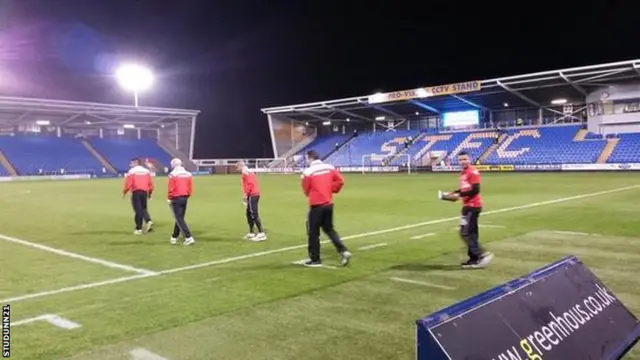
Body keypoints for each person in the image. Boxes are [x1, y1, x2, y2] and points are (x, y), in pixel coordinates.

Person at [439, 151, 493, 269]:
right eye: (460, 160)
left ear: (469, 159)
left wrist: (459, 195)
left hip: (472, 207)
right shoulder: (463, 173)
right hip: (468, 206)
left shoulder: (472, 171)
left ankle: (482, 254)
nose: (462, 161)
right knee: (472, 233)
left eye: (465, 159)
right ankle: (474, 259)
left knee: (465, 233)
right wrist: (454, 193)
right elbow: (465, 189)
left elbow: (475, 190)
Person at [301, 150, 351, 267]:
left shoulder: (307, 172)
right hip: (328, 204)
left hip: (316, 205)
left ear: (310, 158)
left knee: (313, 232)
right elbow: (340, 181)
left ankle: (315, 259)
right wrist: (330, 189)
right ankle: (343, 250)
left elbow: (306, 190)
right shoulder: (329, 167)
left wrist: (315, 194)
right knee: (329, 229)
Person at [236, 161, 267, 241]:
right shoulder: (249, 171)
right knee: (249, 213)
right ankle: (251, 232)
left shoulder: (245, 172)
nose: (237, 169)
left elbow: (249, 184)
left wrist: (245, 194)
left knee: (253, 213)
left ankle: (261, 233)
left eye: (237, 167)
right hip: (254, 194)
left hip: (252, 194)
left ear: (240, 166)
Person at [167, 158, 195, 246]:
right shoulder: (188, 174)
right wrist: (188, 195)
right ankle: (174, 237)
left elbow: (171, 187)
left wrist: (169, 197)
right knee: (179, 218)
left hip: (176, 197)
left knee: (178, 218)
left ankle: (188, 237)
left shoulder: (172, 174)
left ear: (173, 165)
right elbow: (190, 186)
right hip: (185, 196)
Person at [122, 158, 154, 234]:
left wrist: (124, 192)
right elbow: (151, 185)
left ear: (136, 163)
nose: (130, 165)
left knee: (138, 211)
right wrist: (149, 194)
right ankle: (148, 221)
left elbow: (129, 184)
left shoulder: (131, 172)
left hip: (136, 192)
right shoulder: (146, 171)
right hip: (144, 192)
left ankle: (138, 229)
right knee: (143, 208)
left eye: (131, 163)